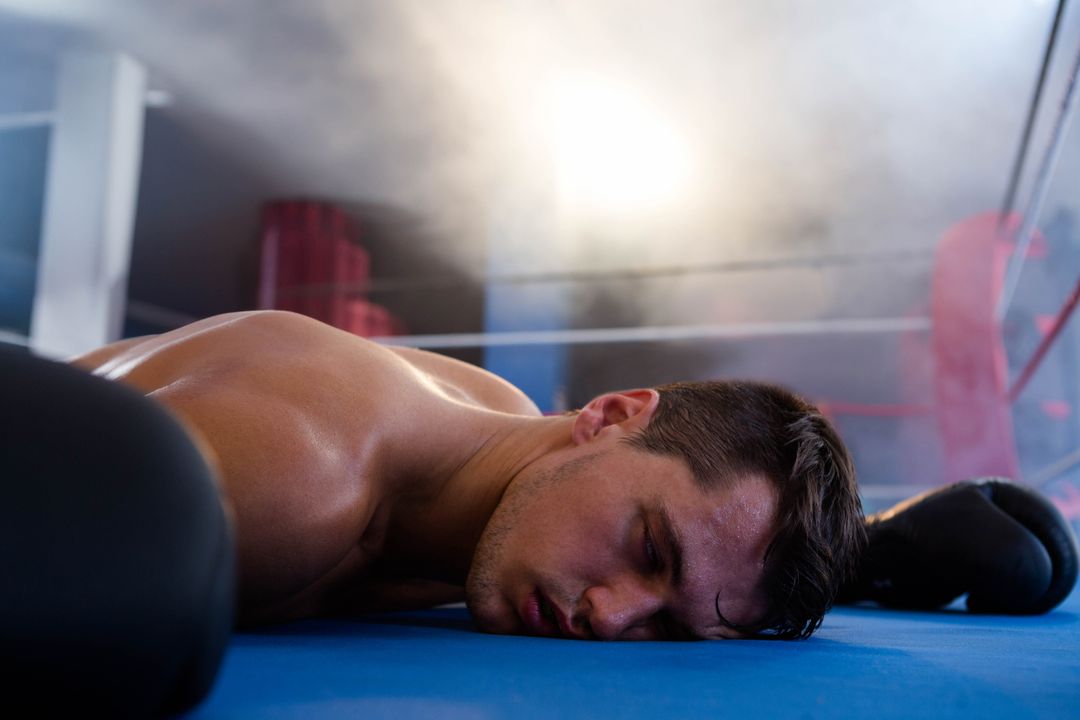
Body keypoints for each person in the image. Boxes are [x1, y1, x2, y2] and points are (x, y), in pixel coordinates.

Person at [3, 309, 1076, 714]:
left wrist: (868, 551)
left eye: (668, 619)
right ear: (608, 416)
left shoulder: (520, 440)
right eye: (646, 549)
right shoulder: (299, 475)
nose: (612, 618)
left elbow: (690, 550)